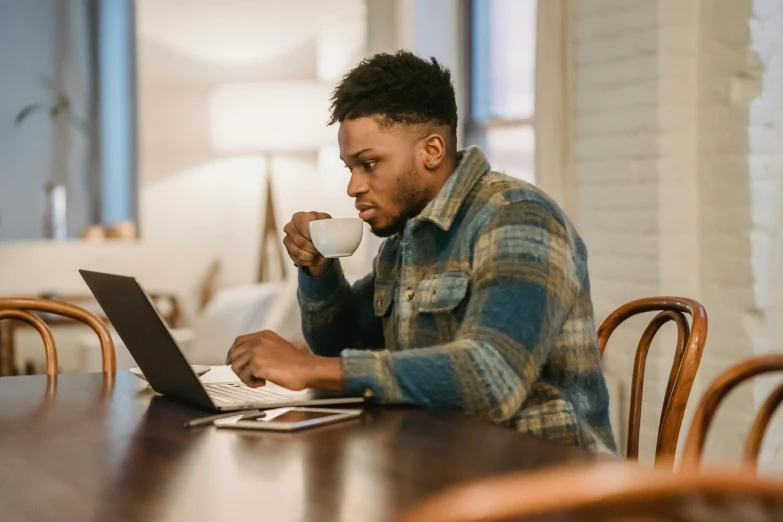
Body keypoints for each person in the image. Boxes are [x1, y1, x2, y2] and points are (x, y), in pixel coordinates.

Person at [226, 51, 616, 453]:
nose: (353, 187)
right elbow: (340, 348)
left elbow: (492, 378)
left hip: (546, 481)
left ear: (431, 151)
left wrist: (305, 366)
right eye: (350, 168)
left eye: (369, 163)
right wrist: (319, 271)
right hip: (441, 461)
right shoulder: (406, 236)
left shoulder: (518, 218)